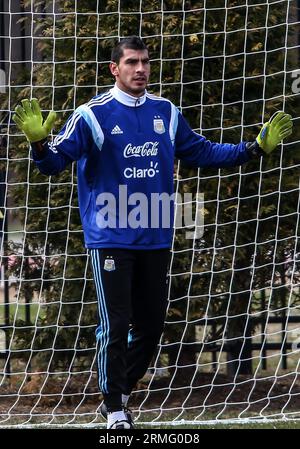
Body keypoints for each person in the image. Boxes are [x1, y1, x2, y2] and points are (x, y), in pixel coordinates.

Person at [12, 36, 293, 429]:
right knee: (116, 322)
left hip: (155, 232)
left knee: (151, 325)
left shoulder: (167, 112)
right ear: (115, 68)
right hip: (110, 235)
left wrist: (253, 149)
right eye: (131, 62)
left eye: (145, 62)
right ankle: (114, 409)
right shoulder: (92, 115)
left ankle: (119, 393)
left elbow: (202, 152)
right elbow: (54, 165)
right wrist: (40, 145)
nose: (140, 69)